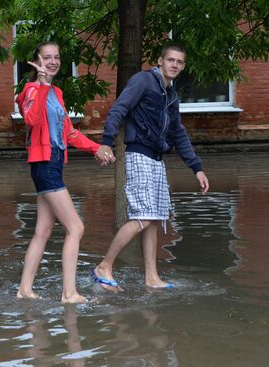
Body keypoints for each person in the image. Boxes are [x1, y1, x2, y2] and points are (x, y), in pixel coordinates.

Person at [92, 44, 210, 291]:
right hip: (138, 155)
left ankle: (151, 277)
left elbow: (178, 132)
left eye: (179, 62)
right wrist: (106, 142)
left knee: (155, 218)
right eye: (170, 60)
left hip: (157, 159)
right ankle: (104, 265)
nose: (174, 65)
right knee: (143, 216)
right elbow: (119, 109)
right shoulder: (144, 81)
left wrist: (196, 167)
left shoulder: (171, 94)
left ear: (183, 66)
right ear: (160, 61)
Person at [15, 42, 102, 303]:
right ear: (36, 61)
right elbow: (31, 119)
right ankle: (69, 293)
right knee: (76, 227)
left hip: (54, 162)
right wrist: (41, 83)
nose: (52, 62)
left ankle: (24, 290)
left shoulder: (58, 93)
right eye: (47, 58)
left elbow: (68, 132)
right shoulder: (30, 90)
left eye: (56, 57)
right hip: (43, 165)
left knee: (43, 230)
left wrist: (97, 148)